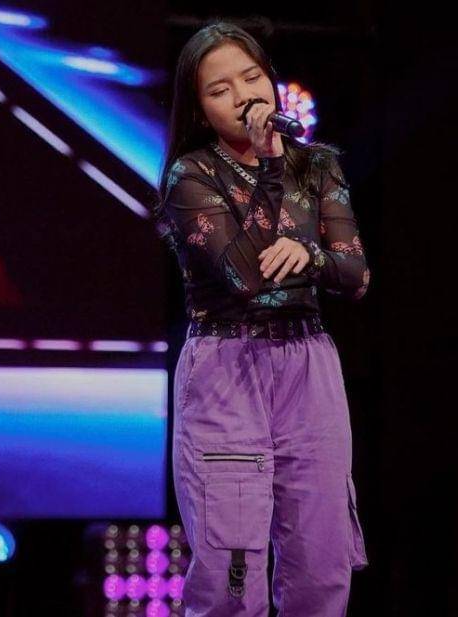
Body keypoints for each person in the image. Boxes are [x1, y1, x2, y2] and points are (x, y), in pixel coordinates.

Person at [152, 20, 371, 616]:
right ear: (199, 109)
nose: (244, 96)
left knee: (321, 561)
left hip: (308, 367)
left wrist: (311, 256)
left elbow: (355, 276)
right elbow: (246, 276)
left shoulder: (318, 167)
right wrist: (272, 167)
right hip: (228, 368)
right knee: (231, 571)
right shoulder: (192, 175)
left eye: (252, 78)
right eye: (220, 89)